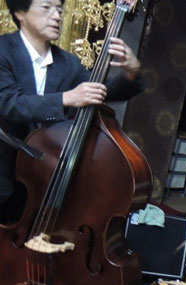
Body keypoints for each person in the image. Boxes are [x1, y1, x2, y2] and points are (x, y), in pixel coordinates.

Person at [0, 0, 143, 215]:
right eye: (46, 8)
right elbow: (9, 103)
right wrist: (66, 98)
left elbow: (100, 92)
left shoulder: (68, 63)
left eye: (59, 9)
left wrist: (132, 72)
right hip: (5, 172)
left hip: (45, 175)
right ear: (20, 13)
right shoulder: (3, 50)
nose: (57, 16)